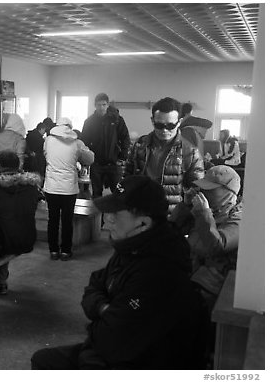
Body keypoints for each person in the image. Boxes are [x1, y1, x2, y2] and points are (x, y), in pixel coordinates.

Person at [31, 175, 208, 369]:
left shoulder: (160, 270)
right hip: (117, 351)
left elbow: (110, 340)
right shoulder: (133, 246)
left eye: (116, 213)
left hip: (143, 360)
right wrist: (103, 308)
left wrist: (100, 309)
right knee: (42, 360)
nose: (108, 220)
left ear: (143, 223)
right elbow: (96, 282)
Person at [169, 165, 242, 310]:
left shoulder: (238, 217)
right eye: (203, 187)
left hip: (211, 288)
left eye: (210, 189)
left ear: (228, 192)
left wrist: (203, 214)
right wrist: (185, 205)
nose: (203, 192)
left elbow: (217, 247)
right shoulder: (207, 208)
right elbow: (171, 232)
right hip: (189, 273)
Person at [124, 97, 204, 212]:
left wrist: (180, 217)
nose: (165, 130)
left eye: (170, 126)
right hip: (141, 211)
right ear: (152, 121)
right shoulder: (140, 145)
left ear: (179, 122)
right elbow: (127, 177)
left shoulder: (190, 152)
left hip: (171, 216)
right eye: (159, 125)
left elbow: (196, 190)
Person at [0, 151, 41, 295]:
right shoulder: (32, 187)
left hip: (4, 242)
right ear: (18, 165)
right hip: (28, 238)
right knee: (5, 226)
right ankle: (1, 281)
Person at [43, 117, 94, 261]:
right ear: (70, 127)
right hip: (69, 189)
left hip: (51, 187)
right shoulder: (77, 143)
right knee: (67, 220)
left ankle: (53, 250)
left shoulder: (48, 141)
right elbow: (89, 159)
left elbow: (46, 156)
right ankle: (65, 251)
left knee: (52, 219)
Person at [81, 93, 130, 198]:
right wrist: (87, 160)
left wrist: (122, 157)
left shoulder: (117, 120)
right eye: (99, 105)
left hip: (114, 163)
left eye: (104, 104)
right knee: (96, 193)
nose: (101, 107)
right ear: (95, 105)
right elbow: (84, 142)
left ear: (108, 105)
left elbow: (125, 138)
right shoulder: (89, 122)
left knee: (118, 193)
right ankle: (96, 214)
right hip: (96, 164)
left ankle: (117, 214)